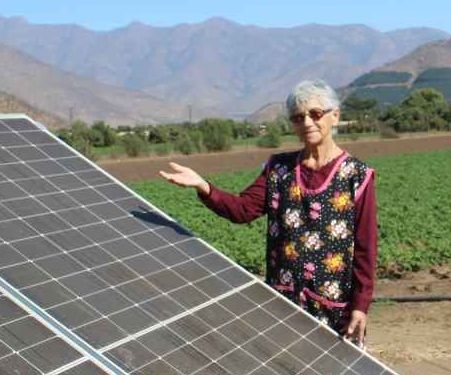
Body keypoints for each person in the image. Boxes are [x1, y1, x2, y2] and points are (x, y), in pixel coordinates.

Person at [160, 80, 377, 346]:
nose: (307, 122)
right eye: (298, 117)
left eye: (315, 114)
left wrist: (360, 305)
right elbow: (243, 209)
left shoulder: (357, 175)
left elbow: (366, 248)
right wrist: (204, 186)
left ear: (335, 116)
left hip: (333, 307)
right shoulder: (279, 169)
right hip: (283, 303)